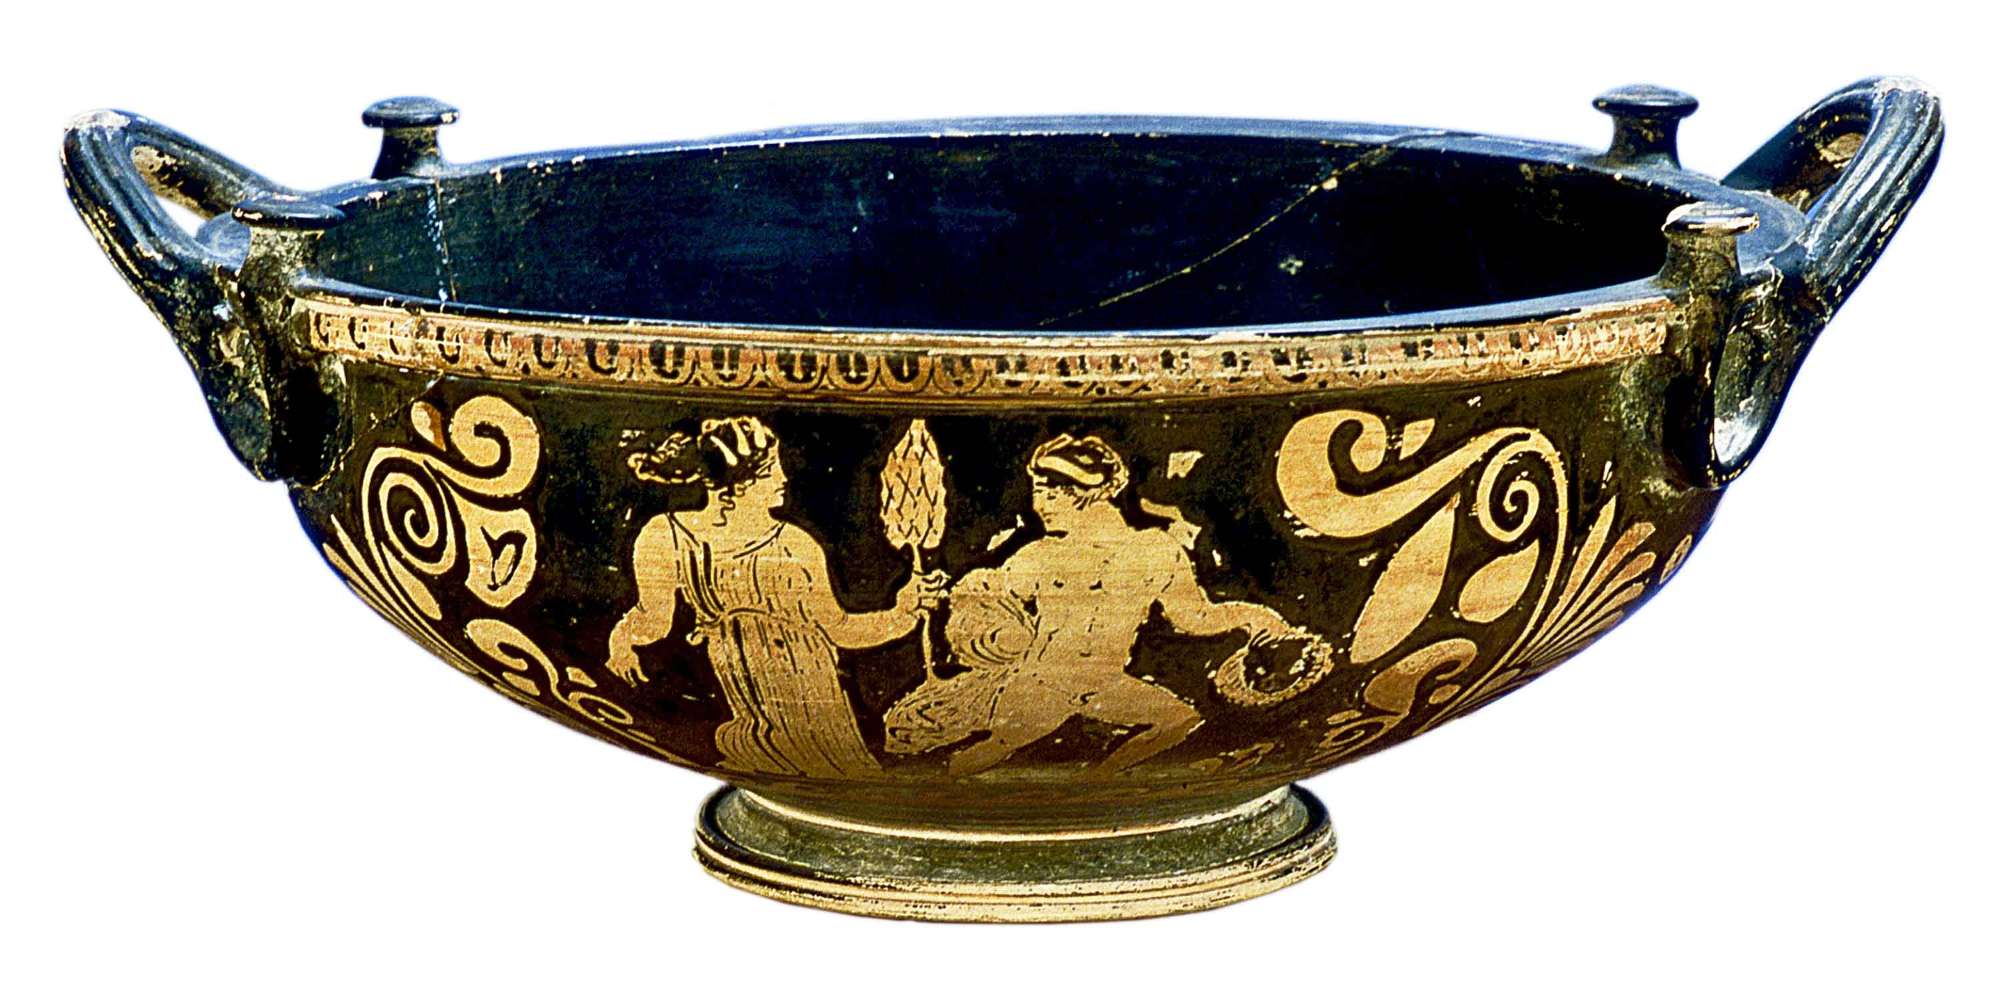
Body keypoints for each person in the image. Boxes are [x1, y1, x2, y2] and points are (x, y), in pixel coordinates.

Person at [884, 433, 1300, 777]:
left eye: (1049, 494)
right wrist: (945, 600)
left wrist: (1254, 616)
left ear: (1083, 494)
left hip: (1104, 683)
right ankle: (945, 788)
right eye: (1039, 493)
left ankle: (1103, 778)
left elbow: (1197, 616)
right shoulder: (1043, 555)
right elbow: (983, 590)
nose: (1038, 506)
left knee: (1179, 719)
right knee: (991, 752)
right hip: (1044, 683)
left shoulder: (1156, 551)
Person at [607, 416, 946, 779]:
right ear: (738, 485)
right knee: (758, 748)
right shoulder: (667, 537)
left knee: (825, 761)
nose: (782, 478)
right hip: (746, 693)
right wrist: (622, 641)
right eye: (770, 471)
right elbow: (654, 619)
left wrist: (904, 612)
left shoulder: (794, 544)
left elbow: (840, 629)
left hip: (811, 692)